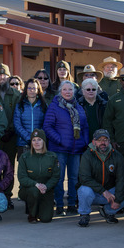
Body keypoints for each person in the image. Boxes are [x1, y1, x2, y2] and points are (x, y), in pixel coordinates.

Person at [44, 81, 90, 216]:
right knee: (58, 178)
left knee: (74, 178)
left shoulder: (79, 107)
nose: (68, 92)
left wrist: (85, 141)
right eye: (65, 89)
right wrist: (60, 140)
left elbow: (85, 127)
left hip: (76, 149)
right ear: (60, 91)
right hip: (59, 149)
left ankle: (71, 204)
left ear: (74, 92)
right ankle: (59, 204)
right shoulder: (54, 107)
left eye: (70, 89)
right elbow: (47, 127)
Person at [76, 129, 124, 227]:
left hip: (110, 193)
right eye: (99, 140)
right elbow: (84, 178)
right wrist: (103, 191)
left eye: (105, 140)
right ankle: (84, 214)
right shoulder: (87, 155)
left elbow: (121, 179)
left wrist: (117, 200)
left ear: (109, 141)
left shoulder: (117, 156)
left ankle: (108, 212)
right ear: (94, 142)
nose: (103, 143)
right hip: (94, 193)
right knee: (84, 190)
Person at [0, 65, 20, 184]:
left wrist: (10, 130)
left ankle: (7, 195)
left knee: (9, 167)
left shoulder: (16, 94)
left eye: (4, 75)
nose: (2, 77)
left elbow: (18, 114)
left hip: (11, 136)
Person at [18, 129, 59, 223]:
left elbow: (55, 176)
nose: (36, 142)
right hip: (29, 189)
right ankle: (32, 214)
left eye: (39, 139)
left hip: (46, 190)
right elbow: (22, 177)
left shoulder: (52, 157)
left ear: (44, 141)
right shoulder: (25, 157)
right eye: (34, 140)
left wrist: (46, 186)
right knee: (34, 191)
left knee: (46, 219)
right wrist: (36, 184)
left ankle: (39, 208)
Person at [13, 78, 47, 156]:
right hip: (23, 143)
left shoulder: (43, 106)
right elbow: (17, 124)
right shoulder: (20, 105)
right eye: (29, 88)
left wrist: (37, 137)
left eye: (34, 88)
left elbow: (46, 123)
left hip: (39, 143)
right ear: (26, 90)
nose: (32, 90)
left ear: (38, 90)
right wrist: (28, 137)